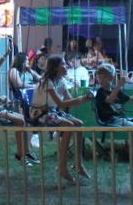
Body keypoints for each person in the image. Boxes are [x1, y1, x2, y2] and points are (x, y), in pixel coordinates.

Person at [30, 55, 94, 185]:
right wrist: (82, 99)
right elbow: (61, 103)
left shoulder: (61, 80)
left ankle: (78, 164)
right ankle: (62, 167)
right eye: (63, 64)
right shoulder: (47, 82)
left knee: (79, 124)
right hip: (40, 112)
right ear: (55, 67)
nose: (66, 66)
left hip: (52, 111)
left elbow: (68, 101)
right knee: (69, 125)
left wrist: (83, 99)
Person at [90, 63, 133, 174]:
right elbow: (110, 100)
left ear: (111, 78)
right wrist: (118, 86)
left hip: (121, 118)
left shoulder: (116, 90)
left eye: (104, 77)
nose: (100, 80)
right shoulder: (100, 92)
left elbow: (132, 100)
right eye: (99, 77)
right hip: (110, 120)